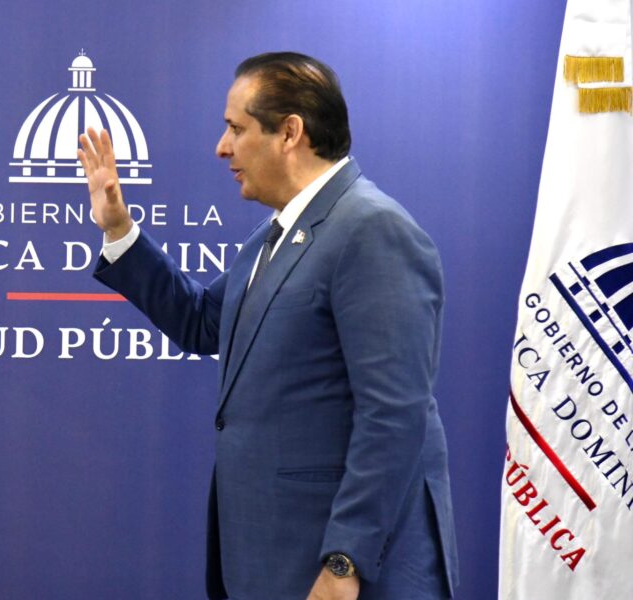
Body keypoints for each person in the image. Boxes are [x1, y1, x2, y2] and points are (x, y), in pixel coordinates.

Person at [78, 52, 458, 599]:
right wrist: (118, 228)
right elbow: (203, 322)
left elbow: (394, 415)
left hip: (342, 571)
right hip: (275, 559)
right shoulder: (276, 233)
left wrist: (345, 561)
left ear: (290, 133)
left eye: (236, 128)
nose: (222, 147)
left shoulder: (372, 230)